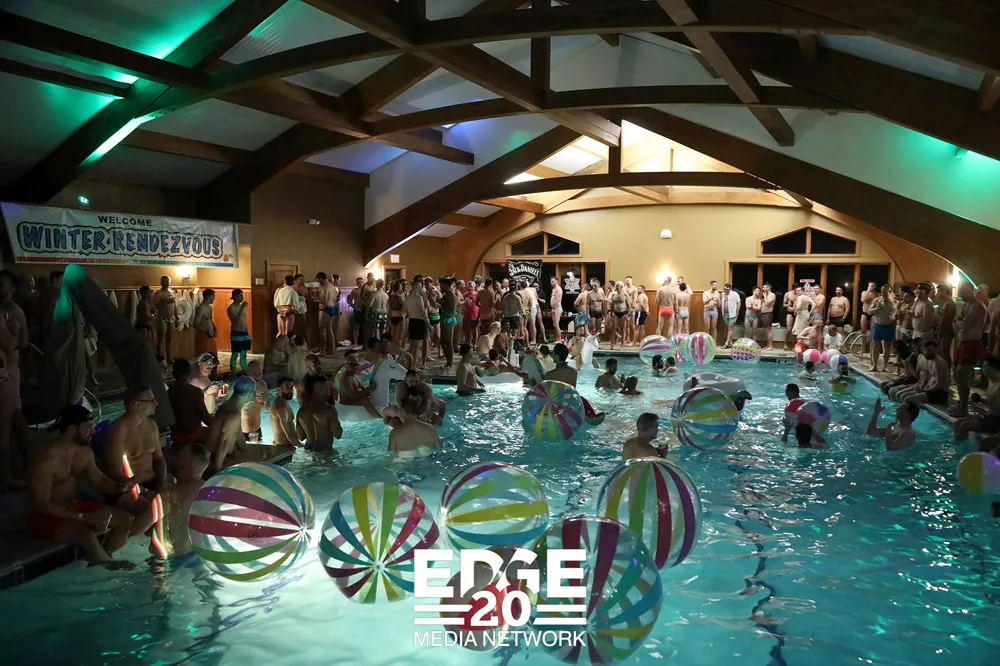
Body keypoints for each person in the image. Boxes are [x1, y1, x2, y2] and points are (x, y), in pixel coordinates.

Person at [26, 406, 136, 569]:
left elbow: (100, 481)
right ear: (72, 429)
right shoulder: (46, 459)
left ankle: (105, 557)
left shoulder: (83, 452)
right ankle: (106, 564)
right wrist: (83, 517)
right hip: (42, 516)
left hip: (73, 505)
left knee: (124, 519)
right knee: (85, 534)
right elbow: (42, 505)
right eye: (88, 427)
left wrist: (119, 487)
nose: (93, 431)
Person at [148, 444, 211, 567]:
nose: (173, 457)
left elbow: (137, 528)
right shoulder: (210, 491)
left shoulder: (169, 495)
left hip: (167, 560)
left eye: (178, 456)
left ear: (184, 466)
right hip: (197, 555)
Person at [0, 269, 29, 487]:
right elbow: (12, 343)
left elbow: (23, 344)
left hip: (11, 369)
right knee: (6, 425)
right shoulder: (5, 312)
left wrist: (17, 331)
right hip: (4, 372)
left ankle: (26, 462)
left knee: (17, 420)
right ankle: (6, 475)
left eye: (2, 284)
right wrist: (14, 332)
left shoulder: (14, 310)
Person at [206, 376, 256, 471]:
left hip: (217, 455)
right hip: (215, 458)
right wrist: (218, 471)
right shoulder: (234, 414)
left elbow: (238, 434)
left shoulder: (228, 405)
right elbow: (223, 444)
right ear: (251, 394)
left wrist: (249, 453)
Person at [953, 281, 987, 416]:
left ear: (971, 291)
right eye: (960, 292)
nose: (961, 295)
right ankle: (961, 404)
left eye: (963, 292)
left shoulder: (978, 306)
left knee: (961, 375)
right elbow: (958, 322)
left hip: (971, 343)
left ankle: (964, 408)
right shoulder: (967, 305)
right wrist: (958, 321)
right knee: (956, 374)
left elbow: (964, 325)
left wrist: (958, 321)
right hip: (962, 342)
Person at [168, 359, 213, 447]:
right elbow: (204, 416)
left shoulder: (168, 392)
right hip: (193, 434)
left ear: (173, 375)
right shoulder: (195, 392)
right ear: (189, 374)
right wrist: (217, 426)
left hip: (175, 435)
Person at [893, 338, 950, 405]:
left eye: (930, 350)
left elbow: (939, 384)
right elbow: (928, 378)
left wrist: (924, 390)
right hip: (930, 390)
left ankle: (908, 411)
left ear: (936, 349)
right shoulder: (930, 361)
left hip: (939, 393)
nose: (926, 352)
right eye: (925, 350)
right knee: (900, 395)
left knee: (906, 399)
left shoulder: (939, 363)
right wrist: (923, 387)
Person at [954, 356, 1000, 441]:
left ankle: (959, 447)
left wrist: (980, 416)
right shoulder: (990, 381)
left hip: (995, 420)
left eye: (985, 367)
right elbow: (994, 403)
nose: (982, 369)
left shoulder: (998, 386)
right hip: (989, 416)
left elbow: (998, 411)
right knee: (958, 422)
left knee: (965, 425)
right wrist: (980, 400)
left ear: (993, 368)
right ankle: (957, 444)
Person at [296, 374, 342, 452]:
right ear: (320, 390)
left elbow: (301, 437)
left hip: (308, 450)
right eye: (327, 388)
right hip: (325, 451)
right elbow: (338, 434)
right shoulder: (329, 410)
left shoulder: (301, 411)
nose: (329, 392)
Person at [338, 352, 380, 418]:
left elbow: (363, 390)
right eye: (352, 365)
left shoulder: (356, 376)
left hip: (355, 399)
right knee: (366, 401)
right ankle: (378, 418)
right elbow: (353, 395)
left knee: (375, 396)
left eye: (356, 364)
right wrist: (369, 389)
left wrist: (374, 391)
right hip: (347, 402)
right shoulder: (345, 379)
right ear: (346, 365)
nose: (355, 367)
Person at [241, 361, 271, 444]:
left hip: (257, 430)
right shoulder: (241, 385)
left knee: (258, 451)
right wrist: (252, 397)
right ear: (247, 373)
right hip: (243, 431)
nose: (257, 376)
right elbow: (233, 406)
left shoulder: (263, 385)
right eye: (253, 374)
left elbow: (267, 408)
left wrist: (265, 400)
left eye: (260, 374)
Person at [404, 276, 429, 371]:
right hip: (419, 322)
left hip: (412, 321)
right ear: (417, 287)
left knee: (412, 346)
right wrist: (428, 324)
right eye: (420, 286)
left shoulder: (407, 298)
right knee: (416, 347)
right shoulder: (419, 298)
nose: (422, 288)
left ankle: (409, 365)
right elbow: (423, 312)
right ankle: (413, 366)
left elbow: (404, 311)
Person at [869, 285, 896, 372]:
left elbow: (896, 314)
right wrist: (876, 308)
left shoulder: (894, 302)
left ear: (890, 292)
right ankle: (874, 365)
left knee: (887, 347)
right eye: (882, 291)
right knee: (875, 346)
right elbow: (869, 312)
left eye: (885, 292)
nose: (883, 293)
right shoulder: (877, 300)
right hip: (878, 326)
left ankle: (885, 366)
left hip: (888, 326)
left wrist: (894, 317)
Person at [270, 377, 300, 446]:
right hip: (283, 447)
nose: (290, 390)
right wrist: (300, 446)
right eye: (287, 388)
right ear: (279, 389)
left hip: (284, 445)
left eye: (291, 387)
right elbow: (289, 433)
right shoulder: (280, 406)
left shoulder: (284, 402)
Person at [153, 275, 177, 362]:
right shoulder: (158, 293)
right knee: (161, 339)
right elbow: (155, 306)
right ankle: (160, 358)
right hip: (162, 318)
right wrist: (165, 301)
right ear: (161, 282)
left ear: (169, 282)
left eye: (167, 281)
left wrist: (177, 316)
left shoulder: (172, 292)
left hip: (171, 318)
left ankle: (169, 358)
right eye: (164, 281)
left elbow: (175, 305)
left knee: (169, 338)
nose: (165, 283)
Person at [227, 289, 251, 375]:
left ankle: (246, 373)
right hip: (236, 333)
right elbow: (235, 321)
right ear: (234, 296)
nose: (242, 297)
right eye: (240, 295)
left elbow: (243, 321)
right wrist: (242, 308)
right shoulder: (231, 308)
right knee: (235, 354)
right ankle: (233, 374)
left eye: (242, 295)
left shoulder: (241, 307)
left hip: (244, 333)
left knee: (243, 355)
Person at [316, 272, 341, 355]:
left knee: (322, 330)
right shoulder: (333, 287)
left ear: (320, 278)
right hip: (333, 309)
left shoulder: (326, 287)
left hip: (326, 309)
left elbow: (325, 301)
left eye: (318, 280)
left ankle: (322, 351)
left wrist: (316, 300)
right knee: (329, 330)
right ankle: (332, 350)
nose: (318, 282)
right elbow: (335, 299)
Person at [192, 288, 218, 361]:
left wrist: (215, 329)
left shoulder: (210, 308)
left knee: (214, 358)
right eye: (213, 296)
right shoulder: (200, 308)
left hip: (210, 337)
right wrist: (205, 331)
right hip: (203, 337)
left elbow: (210, 320)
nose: (214, 298)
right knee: (205, 359)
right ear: (209, 296)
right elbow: (195, 323)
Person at [936, 283, 957, 366]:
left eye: (939, 291)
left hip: (946, 331)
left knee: (945, 353)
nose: (937, 293)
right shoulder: (946, 303)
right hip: (945, 330)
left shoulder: (949, 304)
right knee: (942, 353)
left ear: (944, 292)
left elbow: (945, 320)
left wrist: (940, 332)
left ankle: (947, 370)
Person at [439, 278, 458, 370]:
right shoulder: (446, 294)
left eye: (442, 285)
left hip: (449, 320)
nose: (440, 286)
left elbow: (448, 306)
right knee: (442, 342)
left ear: (446, 285)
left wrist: (441, 304)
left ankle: (450, 363)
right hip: (446, 319)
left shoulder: (450, 294)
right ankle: (448, 361)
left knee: (448, 342)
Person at [609, 282, 630, 350]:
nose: (616, 286)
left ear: (621, 286)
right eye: (616, 285)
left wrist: (628, 315)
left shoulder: (625, 294)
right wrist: (611, 314)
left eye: (617, 285)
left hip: (623, 313)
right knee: (613, 329)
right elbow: (612, 305)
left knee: (623, 330)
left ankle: (622, 346)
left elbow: (629, 306)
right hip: (616, 313)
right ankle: (612, 345)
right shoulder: (614, 295)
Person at [860, 281, 878, 354]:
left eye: (873, 286)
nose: (872, 287)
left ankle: (872, 349)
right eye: (871, 286)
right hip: (865, 313)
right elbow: (863, 300)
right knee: (863, 331)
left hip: (873, 314)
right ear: (868, 286)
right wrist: (868, 291)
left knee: (873, 331)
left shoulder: (877, 294)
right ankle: (863, 348)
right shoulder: (864, 292)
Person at [720, 282, 740, 348]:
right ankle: (731, 343)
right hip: (725, 313)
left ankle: (726, 343)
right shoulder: (722, 294)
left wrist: (737, 312)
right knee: (729, 328)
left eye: (727, 289)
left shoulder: (734, 294)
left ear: (730, 289)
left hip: (732, 313)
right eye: (724, 289)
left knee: (730, 328)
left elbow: (738, 303)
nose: (725, 291)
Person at [758, 283, 776, 351]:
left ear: (768, 288)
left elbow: (767, 303)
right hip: (763, 314)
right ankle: (768, 345)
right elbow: (761, 302)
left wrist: (765, 296)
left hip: (768, 314)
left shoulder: (772, 295)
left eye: (764, 287)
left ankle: (771, 346)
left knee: (768, 330)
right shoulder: (766, 295)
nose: (762, 289)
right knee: (766, 331)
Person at [347, 276, 364, 346]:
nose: (360, 283)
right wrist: (355, 308)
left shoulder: (366, 290)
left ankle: (365, 343)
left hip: (365, 310)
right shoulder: (354, 291)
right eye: (358, 282)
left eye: (361, 282)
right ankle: (355, 343)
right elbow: (349, 301)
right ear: (357, 283)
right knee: (356, 327)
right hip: (357, 310)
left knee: (366, 327)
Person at [549, 276, 564, 343]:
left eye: (552, 281)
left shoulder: (558, 289)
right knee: (554, 324)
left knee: (556, 324)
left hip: (557, 308)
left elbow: (558, 299)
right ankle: (557, 339)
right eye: (551, 281)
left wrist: (555, 308)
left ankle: (559, 339)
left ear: (556, 281)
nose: (551, 282)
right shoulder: (553, 289)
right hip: (553, 308)